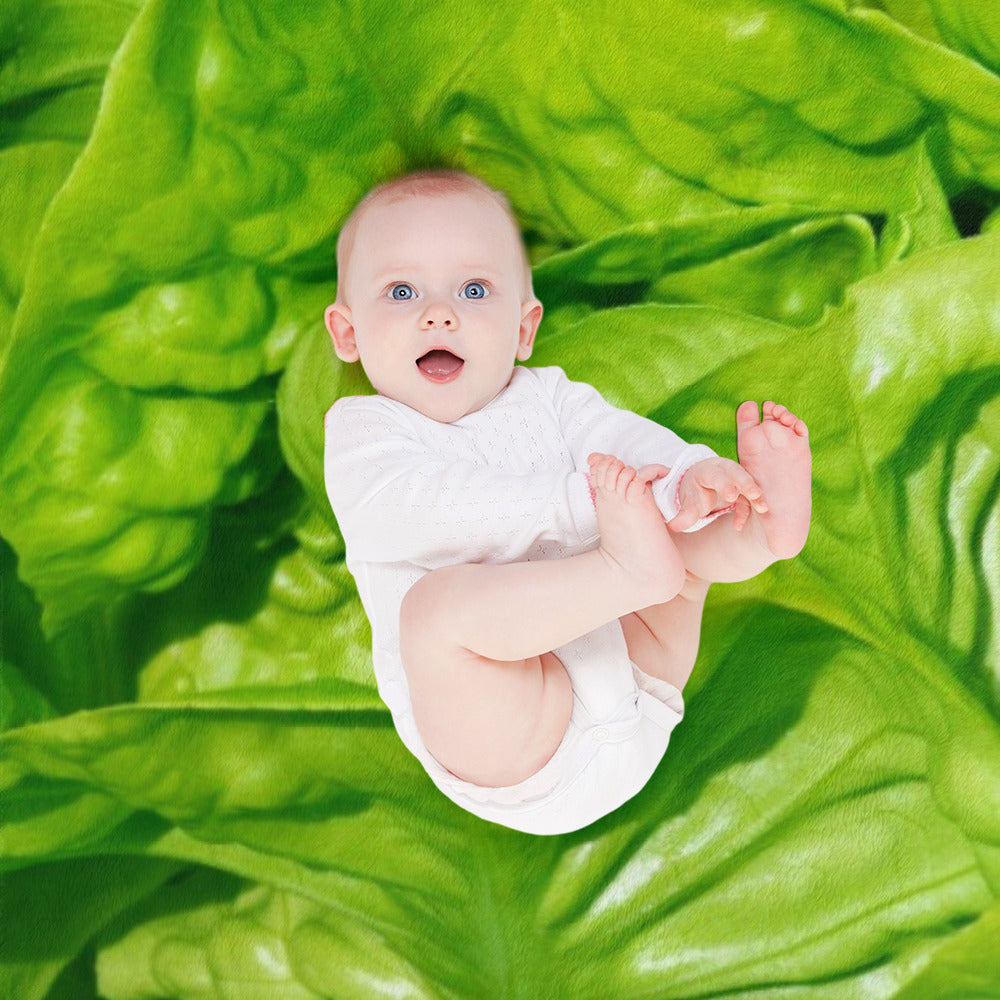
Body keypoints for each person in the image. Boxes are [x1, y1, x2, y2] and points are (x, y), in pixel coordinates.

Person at [323, 169, 812, 835]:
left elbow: (620, 439)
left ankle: (757, 531)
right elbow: (418, 511)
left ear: (523, 330)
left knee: (678, 541)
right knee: (435, 614)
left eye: (474, 289)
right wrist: (583, 503)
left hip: (640, 673)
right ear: (348, 334)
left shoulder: (549, 397)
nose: (439, 314)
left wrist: (685, 477)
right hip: (520, 743)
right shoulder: (365, 434)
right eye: (401, 291)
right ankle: (635, 569)